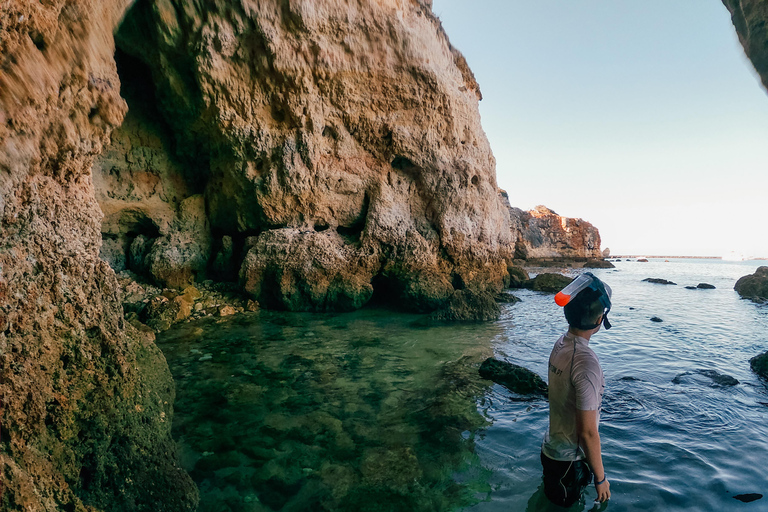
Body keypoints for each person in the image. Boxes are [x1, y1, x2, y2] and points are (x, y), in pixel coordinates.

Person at [541, 272, 612, 507]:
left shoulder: (561, 343)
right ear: (599, 319)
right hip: (568, 463)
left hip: (551, 450)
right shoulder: (586, 363)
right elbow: (588, 433)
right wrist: (601, 479)